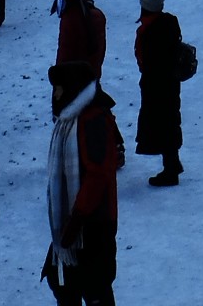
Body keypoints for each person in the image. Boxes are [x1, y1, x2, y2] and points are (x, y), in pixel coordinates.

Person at [42, 59, 122, 306]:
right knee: (63, 282)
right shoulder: (72, 120)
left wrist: (76, 220)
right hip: (79, 224)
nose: (55, 94)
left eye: (59, 88)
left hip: (94, 223)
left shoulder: (92, 120)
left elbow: (98, 175)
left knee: (93, 287)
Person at [134, 0, 185, 187]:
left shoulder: (151, 30)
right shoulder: (167, 23)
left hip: (156, 85)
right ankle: (172, 163)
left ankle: (171, 169)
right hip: (169, 83)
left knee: (163, 125)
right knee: (170, 122)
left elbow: (148, 60)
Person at [54, 0, 107, 73]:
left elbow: (64, 53)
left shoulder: (70, 18)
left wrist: (58, 82)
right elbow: (100, 50)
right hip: (92, 76)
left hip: (73, 81)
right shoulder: (97, 14)